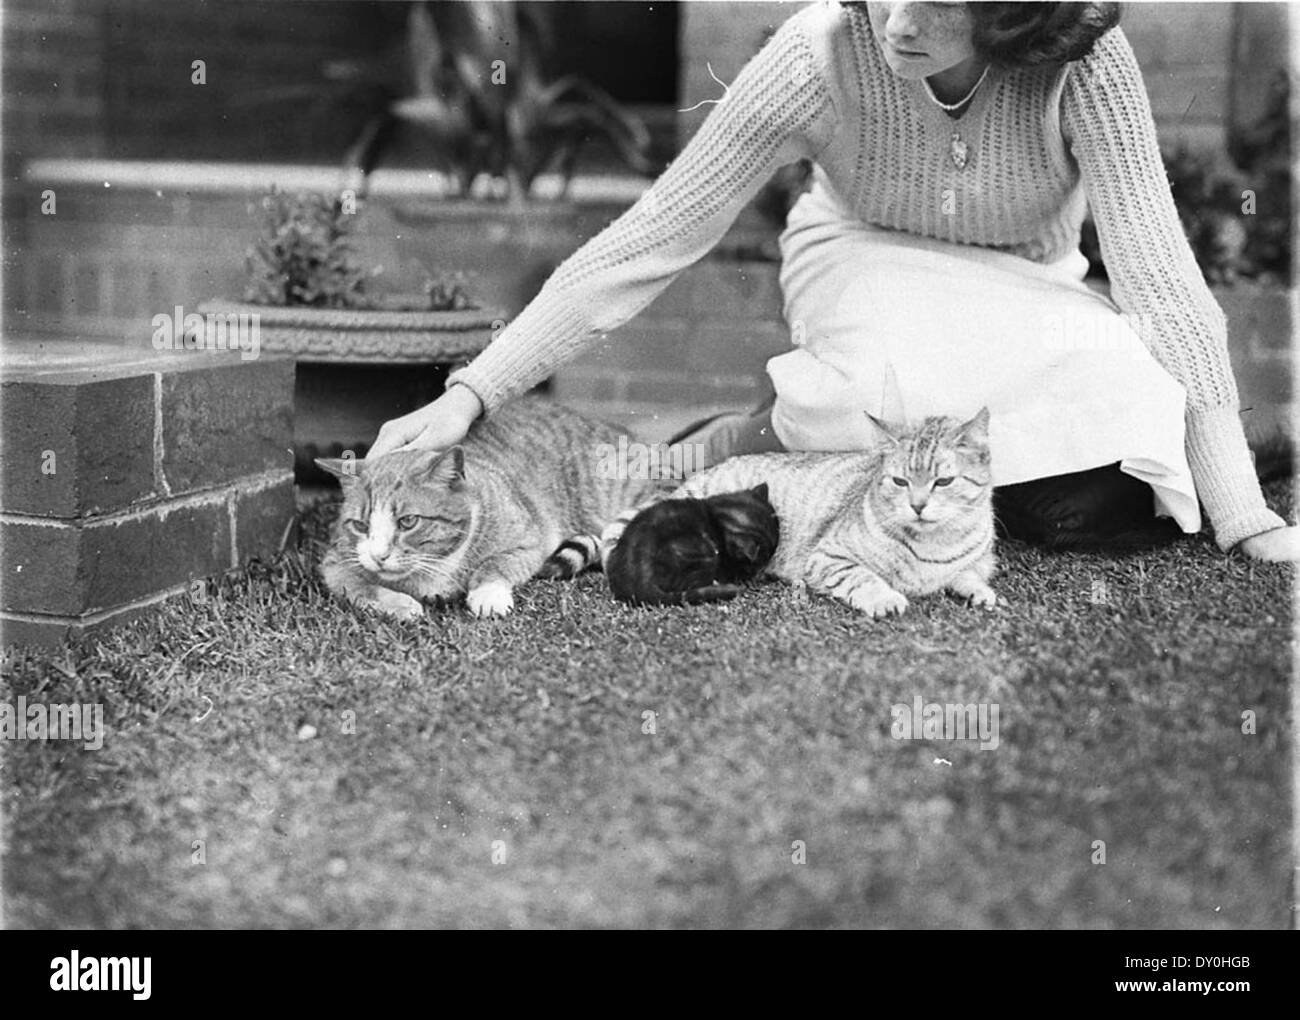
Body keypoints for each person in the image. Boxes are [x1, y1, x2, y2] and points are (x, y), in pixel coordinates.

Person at [368, 1, 1296, 561]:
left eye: (940, 2)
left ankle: (793, 433)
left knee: (1132, 401)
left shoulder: (1083, 65)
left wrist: (1241, 512)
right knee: (877, 390)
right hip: (858, 254)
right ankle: (737, 440)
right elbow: (653, 235)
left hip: (1026, 281)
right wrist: (473, 393)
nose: (898, 21)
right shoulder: (820, 49)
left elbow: (1160, 277)